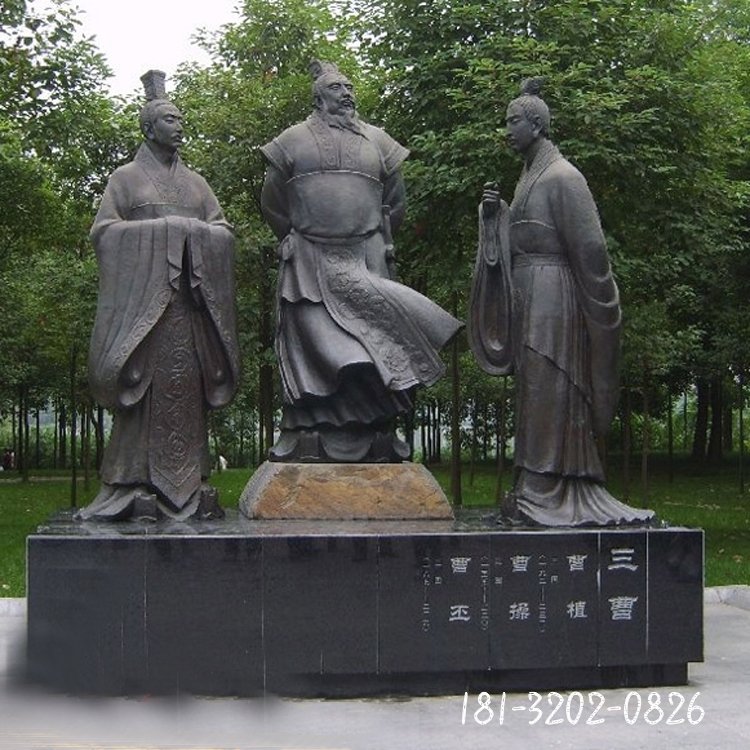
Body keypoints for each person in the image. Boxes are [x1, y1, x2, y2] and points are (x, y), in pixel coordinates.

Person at [469, 78, 652, 526]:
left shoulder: (564, 178)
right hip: (528, 297)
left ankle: (549, 486)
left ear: (536, 125)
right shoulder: (529, 178)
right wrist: (494, 217)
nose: (507, 131)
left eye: (513, 122)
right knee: (533, 391)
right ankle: (533, 484)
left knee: (551, 387)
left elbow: (592, 255)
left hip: (555, 302)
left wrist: (604, 317)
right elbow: (519, 241)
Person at [260, 61, 461, 462]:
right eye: (337, 87)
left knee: (374, 344)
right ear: (319, 97)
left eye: (349, 87)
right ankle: (310, 424)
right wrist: (297, 235)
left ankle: (375, 425)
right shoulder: (292, 141)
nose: (347, 93)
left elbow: (395, 203)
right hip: (309, 261)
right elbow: (272, 201)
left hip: (366, 258)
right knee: (319, 342)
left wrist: (373, 239)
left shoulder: (378, 141)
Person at [77, 70, 240, 521]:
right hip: (144, 316)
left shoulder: (198, 184)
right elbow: (105, 233)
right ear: (149, 128)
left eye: (181, 119)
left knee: (186, 392)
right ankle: (132, 482)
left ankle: (190, 485)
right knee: (142, 391)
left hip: (189, 311)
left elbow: (223, 232)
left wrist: (194, 237)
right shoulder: (125, 179)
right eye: (171, 119)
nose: (180, 126)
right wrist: (169, 231)